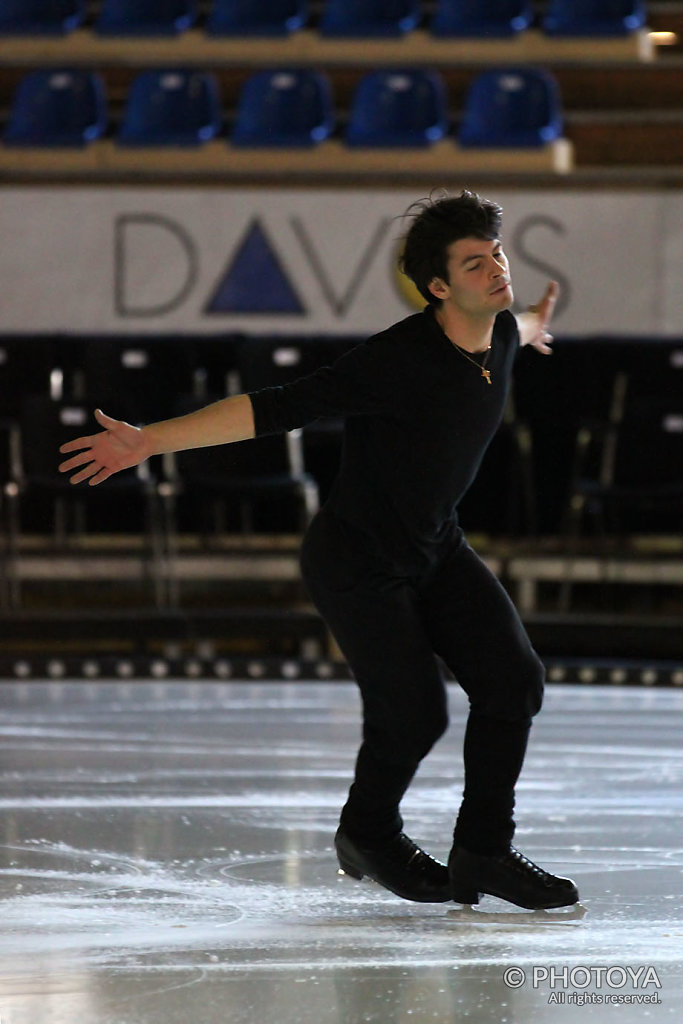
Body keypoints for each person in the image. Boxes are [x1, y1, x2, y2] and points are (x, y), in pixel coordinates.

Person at [59, 189, 579, 911]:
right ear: (437, 287)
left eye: (496, 254)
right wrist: (150, 439)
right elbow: (272, 407)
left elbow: (517, 326)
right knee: (414, 714)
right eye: (474, 263)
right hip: (355, 559)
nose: (495, 268)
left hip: (433, 546)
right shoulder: (396, 359)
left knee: (513, 682)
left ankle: (483, 851)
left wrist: (534, 323)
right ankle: (366, 834)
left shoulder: (497, 334)